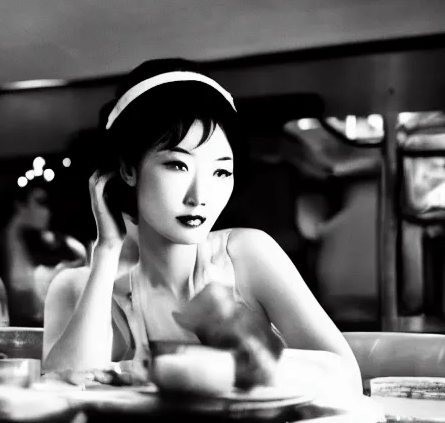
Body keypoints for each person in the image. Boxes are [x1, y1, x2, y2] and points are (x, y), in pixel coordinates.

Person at [42, 58, 361, 391]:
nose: (200, 196)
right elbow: (61, 395)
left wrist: (239, 359)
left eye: (220, 172)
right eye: (178, 166)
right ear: (128, 169)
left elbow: (347, 378)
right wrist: (107, 251)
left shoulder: (246, 256)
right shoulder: (77, 287)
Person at [0, 179, 86, 326]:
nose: (47, 211)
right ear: (20, 206)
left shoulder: (51, 239)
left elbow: (81, 254)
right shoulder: (5, 241)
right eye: (40, 203)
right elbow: (23, 292)